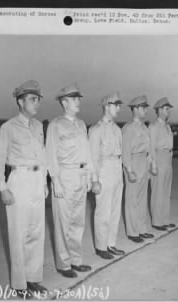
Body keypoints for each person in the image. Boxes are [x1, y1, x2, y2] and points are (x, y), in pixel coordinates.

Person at [0, 80, 48, 299]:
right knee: (19, 233)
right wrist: (2, 187)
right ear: (20, 101)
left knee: (36, 232)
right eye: (33, 99)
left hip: (35, 181)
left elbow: (42, 156)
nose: (37, 104)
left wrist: (43, 182)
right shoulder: (8, 127)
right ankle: (19, 284)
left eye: (38, 99)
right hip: (19, 180)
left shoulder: (37, 126)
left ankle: (33, 279)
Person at [46, 83, 100, 278]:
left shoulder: (80, 124)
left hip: (80, 177)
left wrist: (90, 176)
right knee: (63, 223)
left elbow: (87, 154)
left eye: (79, 98)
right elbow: (50, 155)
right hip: (64, 177)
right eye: (74, 99)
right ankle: (63, 264)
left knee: (78, 222)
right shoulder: (56, 125)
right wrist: (56, 182)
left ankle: (76, 260)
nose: (79, 102)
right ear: (64, 102)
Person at [88, 92, 125, 260]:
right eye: (116, 105)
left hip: (117, 170)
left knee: (115, 210)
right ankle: (101, 246)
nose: (118, 108)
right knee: (103, 211)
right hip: (104, 170)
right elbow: (93, 157)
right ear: (106, 106)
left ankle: (111, 243)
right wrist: (94, 179)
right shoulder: (95, 130)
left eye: (119, 105)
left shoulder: (117, 129)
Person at [122, 95, 156, 242]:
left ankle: (142, 228)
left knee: (142, 199)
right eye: (143, 107)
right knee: (132, 199)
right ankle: (132, 231)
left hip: (143, 161)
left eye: (146, 107)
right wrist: (129, 170)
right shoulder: (128, 128)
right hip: (133, 162)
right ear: (135, 109)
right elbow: (125, 151)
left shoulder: (144, 127)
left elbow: (149, 148)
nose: (146, 110)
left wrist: (151, 164)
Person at [149, 97, 176, 231]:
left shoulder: (167, 126)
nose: (168, 111)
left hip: (167, 159)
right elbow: (151, 147)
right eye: (166, 109)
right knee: (158, 191)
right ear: (159, 110)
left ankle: (164, 219)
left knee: (166, 191)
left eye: (169, 109)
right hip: (158, 158)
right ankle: (157, 221)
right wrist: (153, 164)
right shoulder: (153, 127)